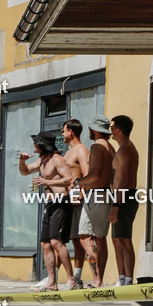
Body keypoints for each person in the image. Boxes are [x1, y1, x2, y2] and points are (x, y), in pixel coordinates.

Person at [19, 131, 77, 291]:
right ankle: (52, 282)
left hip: (61, 203)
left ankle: (71, 280)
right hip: (50, 204)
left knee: (56, 242)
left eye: (36, 143)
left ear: (42, 145)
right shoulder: (42, 161)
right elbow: (24, 171)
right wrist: (21, 161)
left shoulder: (57, 160)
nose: (34, 145)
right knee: (45, 244)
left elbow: (69, 179)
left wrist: (46, 181)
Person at [72, 116, 115, 287]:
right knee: (86, 237)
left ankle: (98, 280)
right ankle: (97, 278)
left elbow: (95, 175)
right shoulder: (110, 147)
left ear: (94, 130)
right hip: (100, 194)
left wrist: (78, 182)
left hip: (98, 194)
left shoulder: (97, 146)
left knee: (97, 238)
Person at [109, 115, 139, 284]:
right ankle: (122, 277)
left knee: (125, 239)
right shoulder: (123, 148)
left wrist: (116, 204)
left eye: (112, 128)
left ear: (118, 130)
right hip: (120, 197)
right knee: (117, 239)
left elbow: (125, 180)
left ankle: (128, 279)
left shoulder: (127, 149)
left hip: (125, 198)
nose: (111, 131)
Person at [62, 118, 89, 287]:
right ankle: (74, 277)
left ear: (71, 132)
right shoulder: (67, 152)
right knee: (72, 238)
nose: (62, 134)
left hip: (77, 200)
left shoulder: (81, 150)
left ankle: (77, 276)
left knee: (80, 239)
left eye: (63, 131)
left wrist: (80, 194)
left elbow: (86, 174)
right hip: (67, 199)